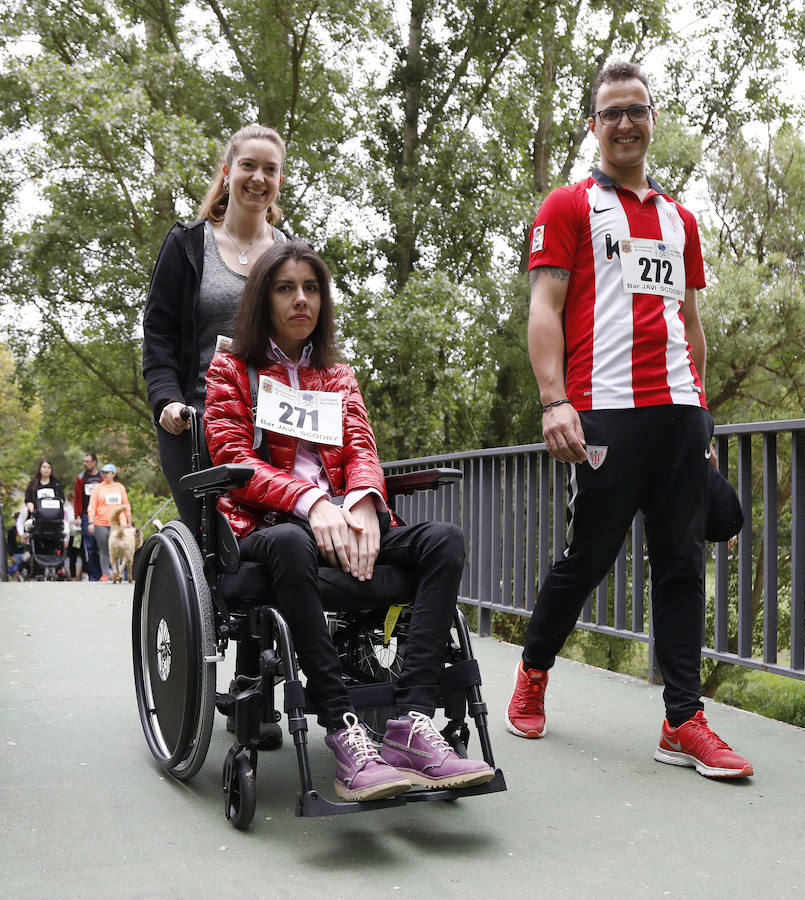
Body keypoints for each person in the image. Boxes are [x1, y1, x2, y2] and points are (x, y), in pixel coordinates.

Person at [505, 61, 753, 780]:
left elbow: (690, 325)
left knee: (681, 564)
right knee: (588, 557)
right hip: (605, 411)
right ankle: (533, 667)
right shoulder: (567, 206)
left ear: (652, 120)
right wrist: (554, 401)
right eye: (609, 112)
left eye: (635, 110)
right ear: (593, 124)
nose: (623, 123)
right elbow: (543, 311)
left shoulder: (679, 219)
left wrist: (702, 420)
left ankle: (682, 721)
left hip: (678, 415)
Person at [204, 239, 494, 801]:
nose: (300, 300)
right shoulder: (231, 369)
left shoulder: (336, 373)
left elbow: (361, 445)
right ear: (264, 298)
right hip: (268, 530)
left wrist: (361, 499)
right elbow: (234, 459)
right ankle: (341, 728)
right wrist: (311, 505)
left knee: (444, 542)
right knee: (291, 541)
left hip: (344, 521)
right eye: (285, 288)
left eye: (310, 289)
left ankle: (410, 722)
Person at [143, 124, 292, 527]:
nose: (258, 178)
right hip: (197, 424)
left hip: (275, 428)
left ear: (279, 179)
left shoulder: (289, 254)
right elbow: (158, 335)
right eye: (248, 165)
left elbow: (304, 340)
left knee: (281, 545)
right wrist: (166, 402)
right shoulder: (187, 244)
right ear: (227, 171)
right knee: (219, 547)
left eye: (270, 170)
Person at [87, 464, 131, 582]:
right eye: (104, 472)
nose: (105, 475)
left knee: (120, 548)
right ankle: (105, 574)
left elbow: (126, 505)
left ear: (113, 474)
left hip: (118, 523)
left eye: (107, 472)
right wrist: (90, 523)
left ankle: (120, 573)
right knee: (104, 549)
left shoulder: (120, 487)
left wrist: (128, 521)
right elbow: (92, 506)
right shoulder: (98, 488)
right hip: (100, 522)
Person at [73, 452, 103, 580]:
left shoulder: (103, 477)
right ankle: (94, 576)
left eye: (87, 461)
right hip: (86, 516)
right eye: (83, 461)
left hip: (102, 516)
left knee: (102, 546)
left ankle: (105, 573)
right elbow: (77, 498)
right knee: (90, 547)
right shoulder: (80, 478)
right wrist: (77, 516)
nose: (85, 464)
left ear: (94, 462)